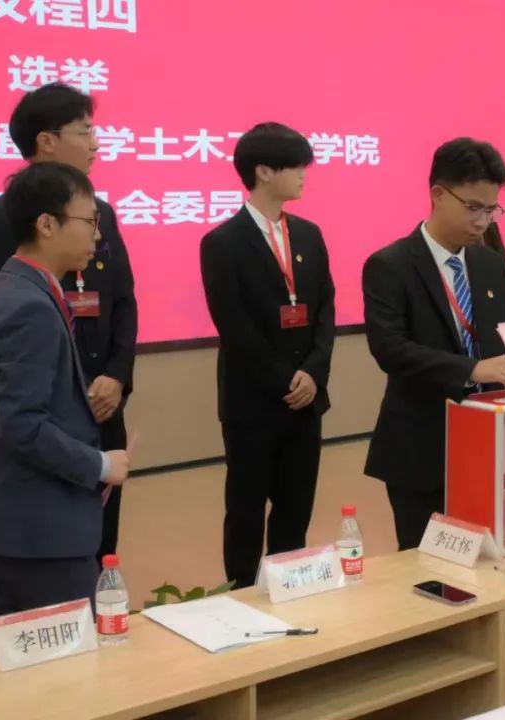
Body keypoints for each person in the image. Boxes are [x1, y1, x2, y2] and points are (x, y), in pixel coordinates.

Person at [362, 137, 505, 550]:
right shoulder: (389, 265)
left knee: (490, 555)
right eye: (473, 207)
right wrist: (471, 370)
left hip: (491, 442)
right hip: (422, 445)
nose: (483, 221)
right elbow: (390, 348)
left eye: (491, 210)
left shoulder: (488, 263)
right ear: (438, 195)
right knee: (427, 561)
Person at [0, 162, 130, 640]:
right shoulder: (30, 305)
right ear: (47, 224)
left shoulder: (7, 288)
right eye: (88, 221)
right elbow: (22, 425)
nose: (98, 235)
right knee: (62, 664)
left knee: (9, 657)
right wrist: (100, 464)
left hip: (3, 520)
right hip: (37, 530)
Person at [0, 83, 137, 566]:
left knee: (102, 545)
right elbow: (14, 328)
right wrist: (77, 389)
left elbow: (123, 300)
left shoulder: (102, 214)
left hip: (105, 406)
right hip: (46, 415)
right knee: (52, 549)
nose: (96, 144)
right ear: (46, 141)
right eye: (85, 132)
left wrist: (116, 377)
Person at [200, 122, 336, 588]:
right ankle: (240, 592)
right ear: (262, 171)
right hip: (253, 403)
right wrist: (284, 380)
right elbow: (234, 326)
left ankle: (289, 584)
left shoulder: (310, 235)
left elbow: (325, 310)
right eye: (294, 165)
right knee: (246, 509)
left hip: (306, 400)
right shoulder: (222, 243)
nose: (303, 174)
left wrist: (312, 373)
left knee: (296, 507)